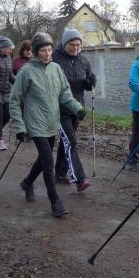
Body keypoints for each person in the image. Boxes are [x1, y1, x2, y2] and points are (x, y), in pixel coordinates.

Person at [10, 32, 84, 218]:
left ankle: (27, 183)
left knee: (44, 159)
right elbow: (14, 100)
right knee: (48, 160)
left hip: (52, 121)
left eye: (50, 50)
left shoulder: (56, 69)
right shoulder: (26, 72)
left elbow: (65, 94)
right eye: (43, 50)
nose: (47, 54)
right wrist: (19, 127)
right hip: (35, 123)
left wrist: (77, 108)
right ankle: (55, 201)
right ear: (35, 52)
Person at [52, 28, 96, 191]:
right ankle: (79, 178)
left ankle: (60, 173)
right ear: (65, 43)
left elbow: (87, 85)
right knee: (70, 140)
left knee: (66, 141)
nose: (76, 48)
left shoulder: (83, 60)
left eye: (78, 45)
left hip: (77, 107)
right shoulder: (54, 58)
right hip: (59, 107)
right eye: (72, 44)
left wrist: (90, 82)